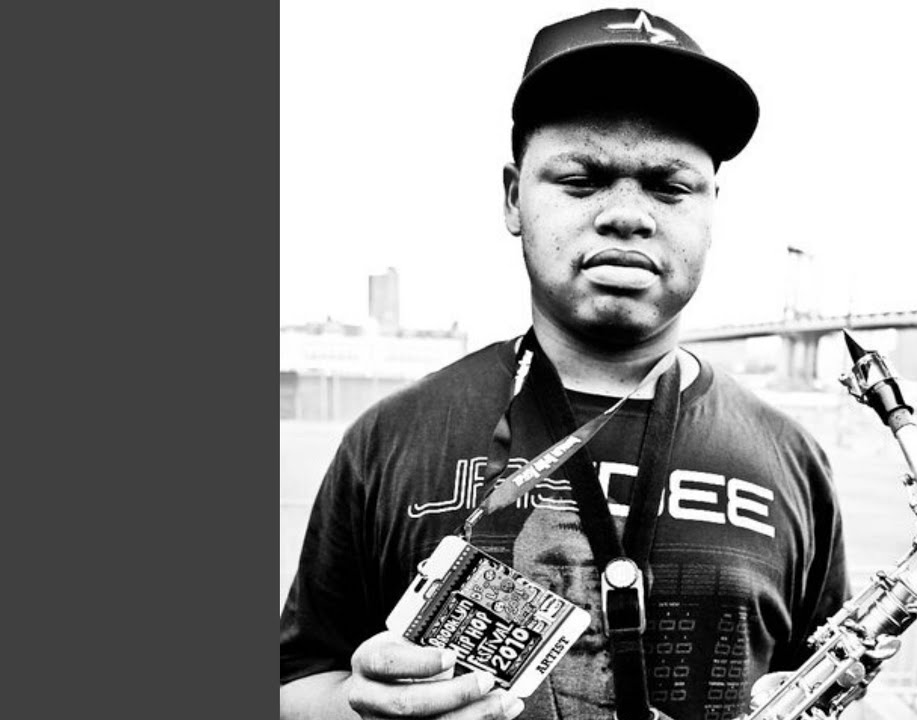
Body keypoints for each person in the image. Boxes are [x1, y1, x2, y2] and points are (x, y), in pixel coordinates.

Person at [280, 8, 850, 720]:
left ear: (712, 209)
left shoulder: (795, 461)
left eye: (671, 187)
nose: (627, 215)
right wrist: (355, 708)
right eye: (582, 180)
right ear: (513, 198)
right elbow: (292, 686)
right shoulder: (388, 437)